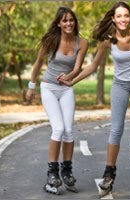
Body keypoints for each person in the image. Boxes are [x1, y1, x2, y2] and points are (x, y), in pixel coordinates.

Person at [57, 1, 130, 197]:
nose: (123, 19)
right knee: (116, 129)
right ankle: (109, 174)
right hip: (120, 84)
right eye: (119, 16)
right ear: (113, 19)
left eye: (126, 15)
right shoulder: (108, 40)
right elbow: (93, 66)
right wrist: (72, 81)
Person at [26, 6, 88, 194]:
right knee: (58, 128)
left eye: (71, 20)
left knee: (69, 130)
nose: (68, 23)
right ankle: (52, 173)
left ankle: (66, 171)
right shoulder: (51, 41)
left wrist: (69, 76)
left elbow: (78, 68)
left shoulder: (82, 43)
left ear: (75, 22)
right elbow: (38, 63)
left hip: (66, 88)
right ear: (59, 23)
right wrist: (31, 86)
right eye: (65, 20)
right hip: (49, 88)